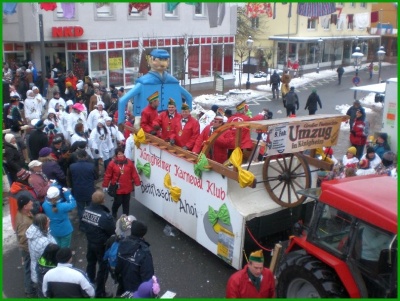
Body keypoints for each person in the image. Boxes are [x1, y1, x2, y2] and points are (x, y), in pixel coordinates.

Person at [117, 49, 192, 125]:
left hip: (170, 121)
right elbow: (189, 97)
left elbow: (122, 100)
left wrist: (121, 122)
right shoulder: (144, 83)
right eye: (159, 59)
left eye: (165, 60)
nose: (163, 63)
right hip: (151, 122)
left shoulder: (172, 81)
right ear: (150, 60)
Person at [81, 190, 115, 298]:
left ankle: (89, 284)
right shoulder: (105, 216)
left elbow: (83, 226)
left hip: (90, 242)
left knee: (91, 264)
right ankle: (100, 292)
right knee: (103, 269)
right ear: (103, 201)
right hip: (102, 245)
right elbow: (112, 231)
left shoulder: (85, 211)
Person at [115, 221, 155, 295]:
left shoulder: (122, 243)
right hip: (137, 289)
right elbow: (147, 276)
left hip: (123, 284)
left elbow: (118, 265)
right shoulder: (144, 252)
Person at [103, 147, 141, 218]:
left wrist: (137, 183)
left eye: (122, 153)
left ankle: (125, 218)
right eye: (119, 154)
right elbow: (108, 175)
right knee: (118, 202)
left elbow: (134, 173)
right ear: (116, 155)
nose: (121, 155)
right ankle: (114, 212)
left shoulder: (129, 162)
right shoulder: (112, 164)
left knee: (126, 204)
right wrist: (105, 185)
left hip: (127, 187)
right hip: (117, 188)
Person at [26, 213, 57, 287]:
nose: (49, 220)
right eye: (47, 220)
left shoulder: (34, 232)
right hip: (44, 271)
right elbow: (52, 256)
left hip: (36, 266)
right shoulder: (44, 242)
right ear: (44, 224)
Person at [15, 196, 36, 298]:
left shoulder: (24, 213)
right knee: (29, 269)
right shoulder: (24, 222)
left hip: (28, 248)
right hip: (27, 249)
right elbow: (23, 239)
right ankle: (29, 291)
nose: (32, 202)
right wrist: (31, 250)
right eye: (29, 202)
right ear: (25, 206)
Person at [69, 149, 97, 222]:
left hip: (78, 191)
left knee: (80, 209)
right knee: (90, 208)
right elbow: (96, 177)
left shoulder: (72, 166)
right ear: (86, 156)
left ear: (77, 156)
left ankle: (82, 224)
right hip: (89, 190)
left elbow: (69, 179)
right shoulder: (91, 166)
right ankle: (90, 223)